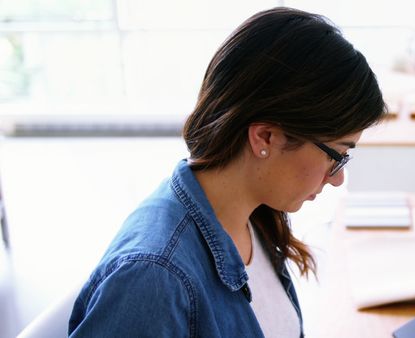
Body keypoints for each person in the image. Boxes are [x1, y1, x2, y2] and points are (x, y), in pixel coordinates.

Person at [68, 7, 386, 338]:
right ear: (266, 137)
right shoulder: (153, 280)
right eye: (337, 155)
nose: (337, 178)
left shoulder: (252, 214)